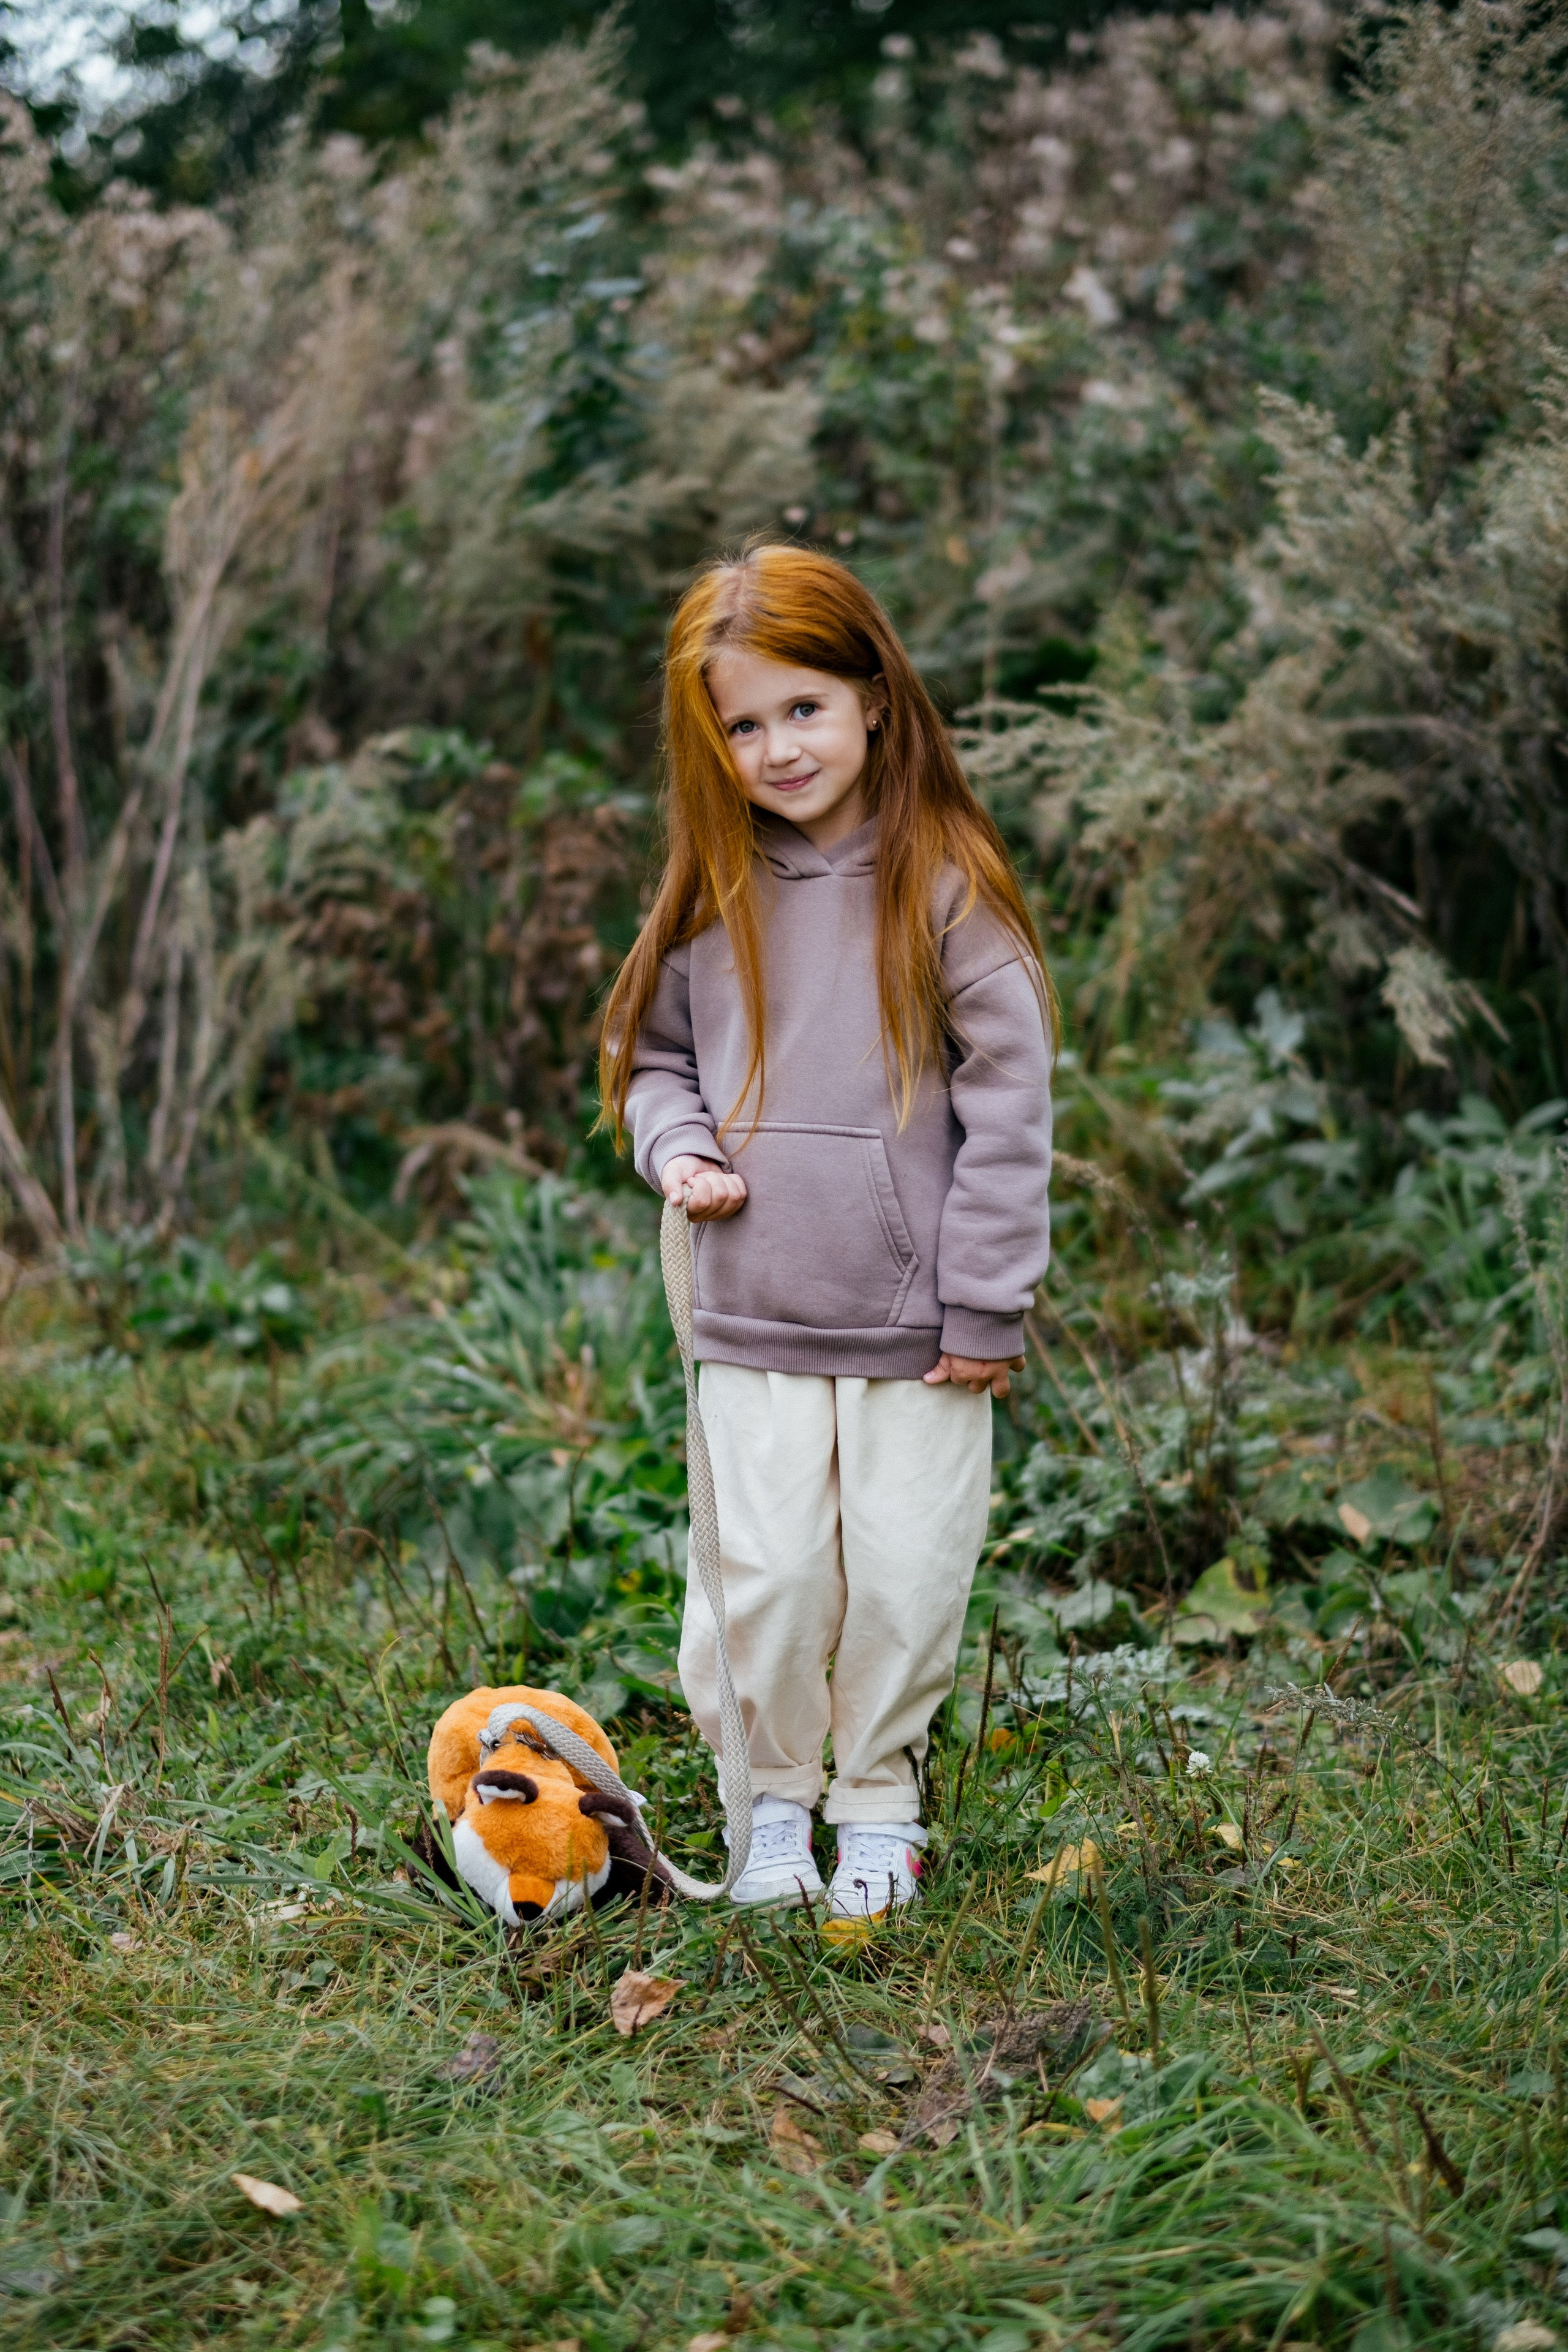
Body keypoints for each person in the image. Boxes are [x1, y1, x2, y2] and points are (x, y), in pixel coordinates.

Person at [598, 543, 1055, 1922]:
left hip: (918, 1326)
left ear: (873, 698)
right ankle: (773, 1803)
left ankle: (877, 1804)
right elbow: (650, 1058)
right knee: (769, 1574)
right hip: (752, 1307)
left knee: (903, 1572)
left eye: (802, 707)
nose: (776, 746)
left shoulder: (947, 882)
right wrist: (674, 1146)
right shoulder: (710, 889)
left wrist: (984, 1303)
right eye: (741, 724)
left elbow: (1012, 1103)